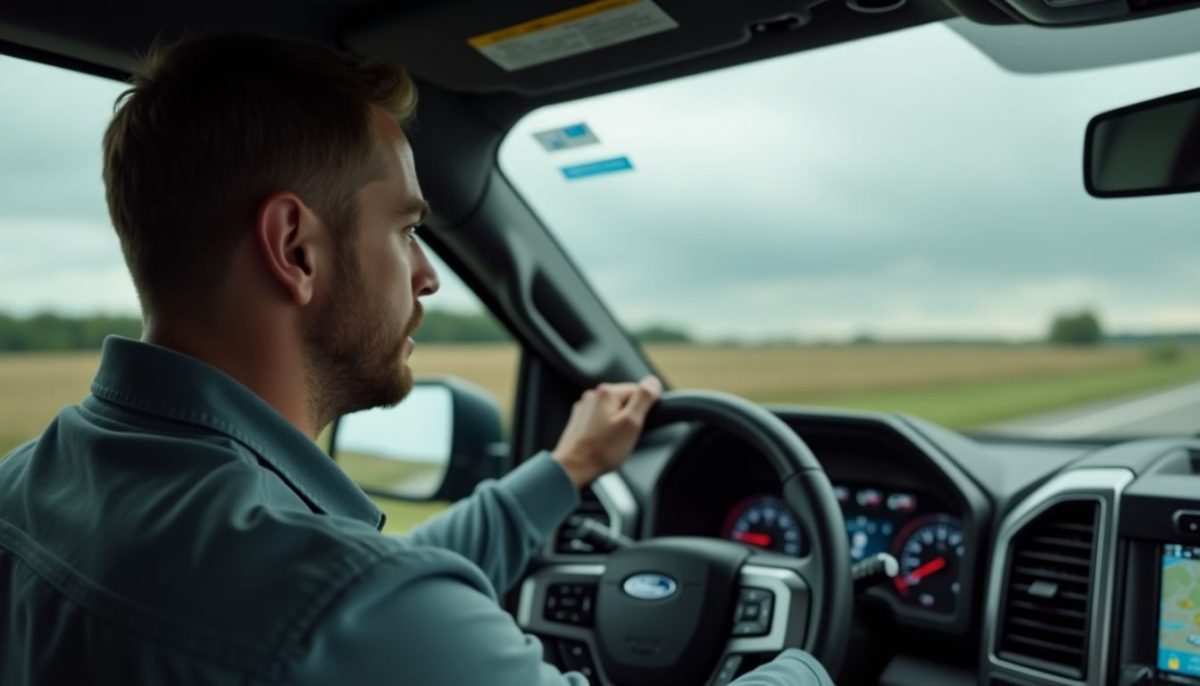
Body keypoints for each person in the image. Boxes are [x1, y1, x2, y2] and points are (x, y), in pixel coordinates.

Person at [0, 33, 835, 685]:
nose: (429, 274)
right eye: (405, 230)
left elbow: (370, 598)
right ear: (295, 248)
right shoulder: (339, 605)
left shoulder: (28, 486)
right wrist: (814, 654)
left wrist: (568, 466)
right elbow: (360, 605)